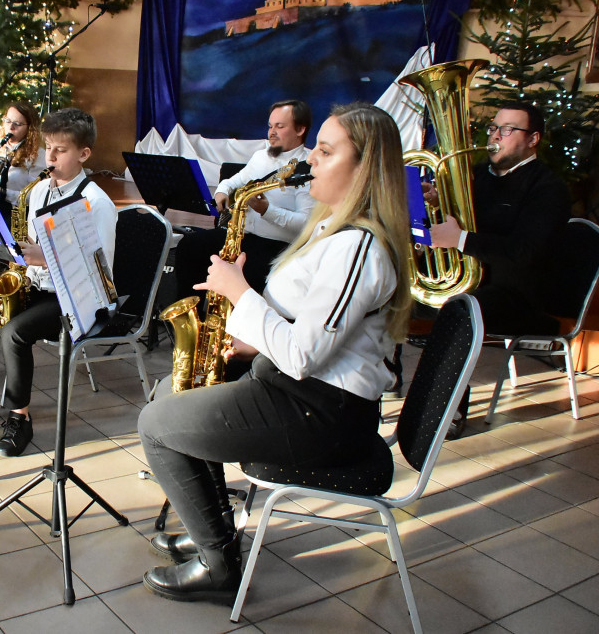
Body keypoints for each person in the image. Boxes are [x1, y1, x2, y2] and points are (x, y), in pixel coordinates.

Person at [137, 102, 413, 604]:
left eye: (326, 152)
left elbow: (304, 355)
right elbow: (308, 328)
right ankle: (213, 531)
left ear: (364, 167)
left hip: (322, 413)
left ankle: (218, 564)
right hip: (293, 389)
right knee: (169, 391)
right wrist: (251, 340)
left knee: (156, 424)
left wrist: (240, 294)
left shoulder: (359, 247)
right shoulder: (333, 230)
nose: (310, 162)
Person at [0, 108, 118, 457]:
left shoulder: (97, 204)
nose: (51, 156)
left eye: (61, 150)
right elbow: (28, 244)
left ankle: (19, 418)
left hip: (77, 295)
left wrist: (44, 257)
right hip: (37, 282)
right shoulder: (39, 190)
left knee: (14, 331)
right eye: (48, 147)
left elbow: (97, 271)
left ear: (84, 154)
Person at [426, 100, 570, 437]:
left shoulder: (548, 188)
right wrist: (437, 200)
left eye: (507, 130)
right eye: (493, 128)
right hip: (474, 284)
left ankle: (448, 409)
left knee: (458, 309)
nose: (495, 136)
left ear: (533, 139)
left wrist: (461, 240)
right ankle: (385, 382)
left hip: (522, 296)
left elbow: (526, 252)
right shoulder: (476, 176)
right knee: (394, 290)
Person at [174, 100, 316, 301]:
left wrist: (267, 210)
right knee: (190, 247)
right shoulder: (261, 157)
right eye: (270, 126)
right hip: (242, 236)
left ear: (301, 129)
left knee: (249, 273)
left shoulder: (308, 169)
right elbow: (233, 181)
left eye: (280, 126)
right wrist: (222, 191)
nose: (272, 132)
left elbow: (305, 224)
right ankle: (192, 322)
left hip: (276, 247)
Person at [0, 101, 47, 203]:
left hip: (13, 212)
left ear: (30, 128)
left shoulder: (38, 154)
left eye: (17, 124)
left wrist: (3, 193)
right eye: (8, 121)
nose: (11, 127)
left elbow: (35, 195)